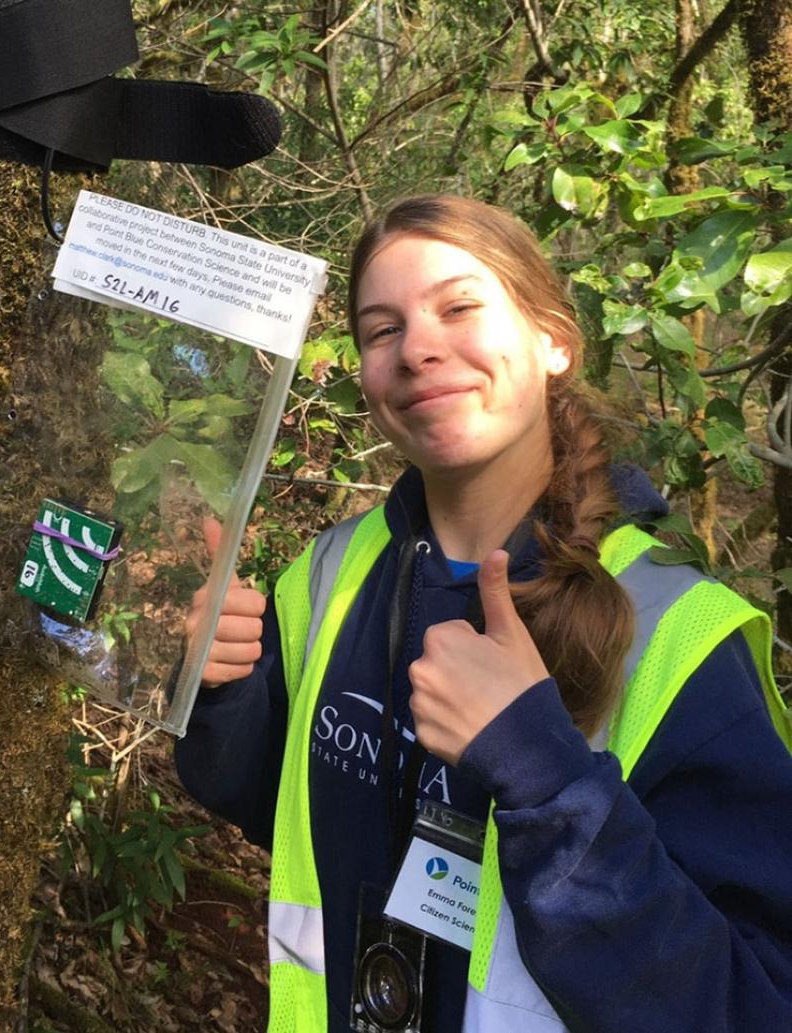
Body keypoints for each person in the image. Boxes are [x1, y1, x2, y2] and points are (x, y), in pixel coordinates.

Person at [175, 194, 792, 1032]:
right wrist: (220, 690)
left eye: (459, 307)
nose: (418, 349)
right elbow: (288, 815)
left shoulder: (676, 633)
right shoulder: (325, 575)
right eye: (379, 329)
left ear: (553, 341)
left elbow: (746, 1004)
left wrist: (542, 773)